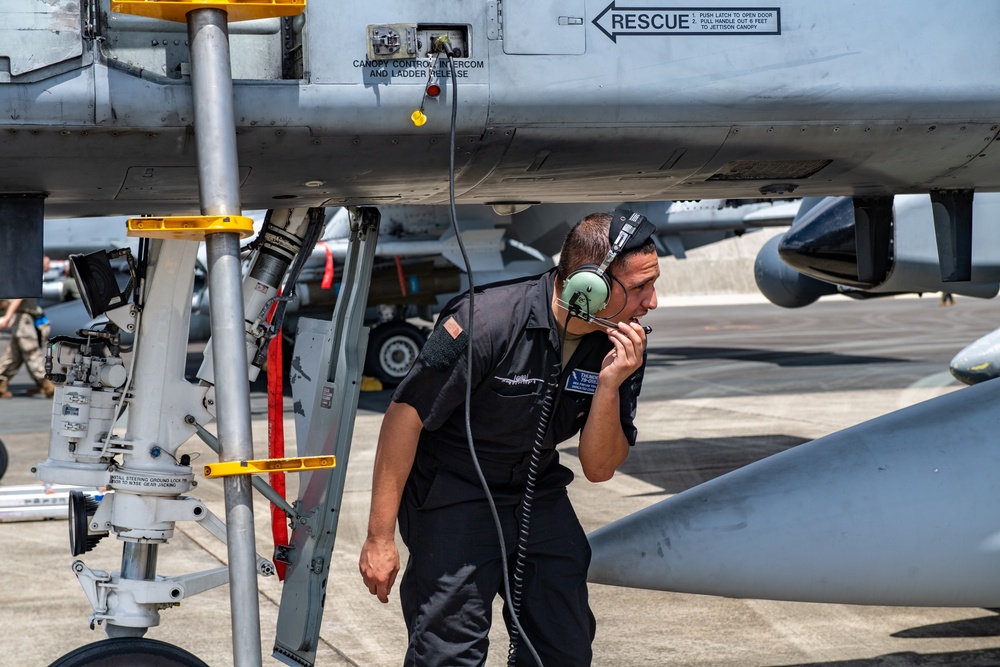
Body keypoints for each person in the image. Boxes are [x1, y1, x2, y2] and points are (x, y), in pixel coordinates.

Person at [359, 210, 660, 666]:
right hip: (454, 494)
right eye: (640, 287)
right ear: (588, 285)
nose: (652, 301)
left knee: (564, 648)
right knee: (449, 654)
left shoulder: (621, 345)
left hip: (536, 490)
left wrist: (610, 384)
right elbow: (404, 418)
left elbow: (599, 468)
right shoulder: (484, 321)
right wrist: (379, 538)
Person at [0, 294, 54, 398]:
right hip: (22, 319)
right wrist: (7, 318)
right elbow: (19, 297)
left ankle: (1, 382)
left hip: (22, 318)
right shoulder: (24, 278)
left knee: (14, 355)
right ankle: (46, 385)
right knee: (31, 353)